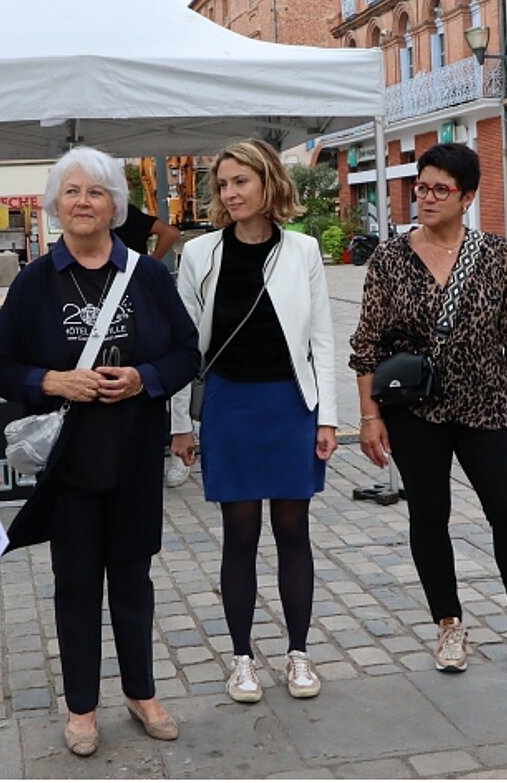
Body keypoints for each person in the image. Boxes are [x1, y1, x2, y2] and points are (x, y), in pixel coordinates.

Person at [0, 146, 199, 758]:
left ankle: (142, 692)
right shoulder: (35, 281)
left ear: (114, 206)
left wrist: (144, 379)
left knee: (134, 580)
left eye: (96, 192)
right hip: (72, 463)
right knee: (75, 584)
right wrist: (52, 381)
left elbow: (187, 352)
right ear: (56, 204)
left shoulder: (148, 275)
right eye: (72, 192)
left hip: (134, 455)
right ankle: (81, 707)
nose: (83, 202)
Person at [350, 143, 507, 677]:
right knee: (430, 516)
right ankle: (448, 624)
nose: (426, 198)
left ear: (467, 197)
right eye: (420, 188)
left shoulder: (494, 255)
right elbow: (367, 345)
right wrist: (369, 416)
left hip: (486, 406)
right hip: (414, 412)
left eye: (439, 190)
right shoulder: (389, 259)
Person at [170, 138, 337, 704]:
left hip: (291, 404)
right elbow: (183, 348)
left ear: (269, 183)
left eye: (241, 181)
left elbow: (321, 339)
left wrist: (327, 418)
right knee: (239, 534)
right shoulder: (199, 254)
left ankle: (298, 654)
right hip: (229, 405)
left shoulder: (304, 251)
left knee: (294, 531)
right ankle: (241, 658)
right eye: (223, 185)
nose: (230, 193)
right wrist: (178, 424)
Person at [115, 201, 181, 259]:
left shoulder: (126, 214)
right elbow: (170, 233)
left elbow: (170, 233)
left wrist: (152, 262)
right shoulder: (126, 213)